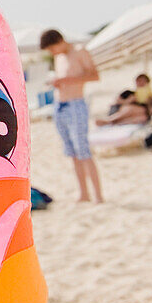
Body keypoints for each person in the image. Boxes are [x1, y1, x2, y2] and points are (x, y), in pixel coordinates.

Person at [39, 29, 103, 204]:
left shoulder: (80, 50)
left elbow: (95, 75)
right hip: (61, 105)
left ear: (59, 41)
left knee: (84, 151)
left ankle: (98, 195)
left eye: (52, 49)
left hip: (76, 103)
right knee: (72, 152)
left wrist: (66, 81)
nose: (52, 53)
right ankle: (84, 193)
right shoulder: (58, 57)